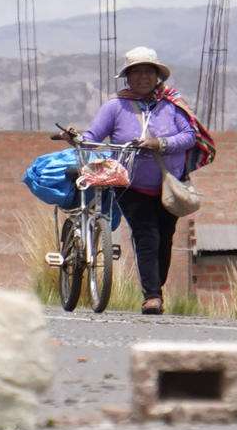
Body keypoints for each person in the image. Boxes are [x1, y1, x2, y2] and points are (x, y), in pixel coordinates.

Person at [78, 46, 217, 314]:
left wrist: (160, 143)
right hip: (131, 185)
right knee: (147, 235)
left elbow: (189, 136)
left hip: (169, 185)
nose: (142, 77)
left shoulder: (172, 105)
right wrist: (79, 139)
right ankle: (152, 296)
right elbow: (93, 134)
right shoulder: (115, 107)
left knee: (165, 238)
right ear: (127, 77)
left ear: (157, 76)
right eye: (136, 72)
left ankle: (156, 287)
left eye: (148, 72)